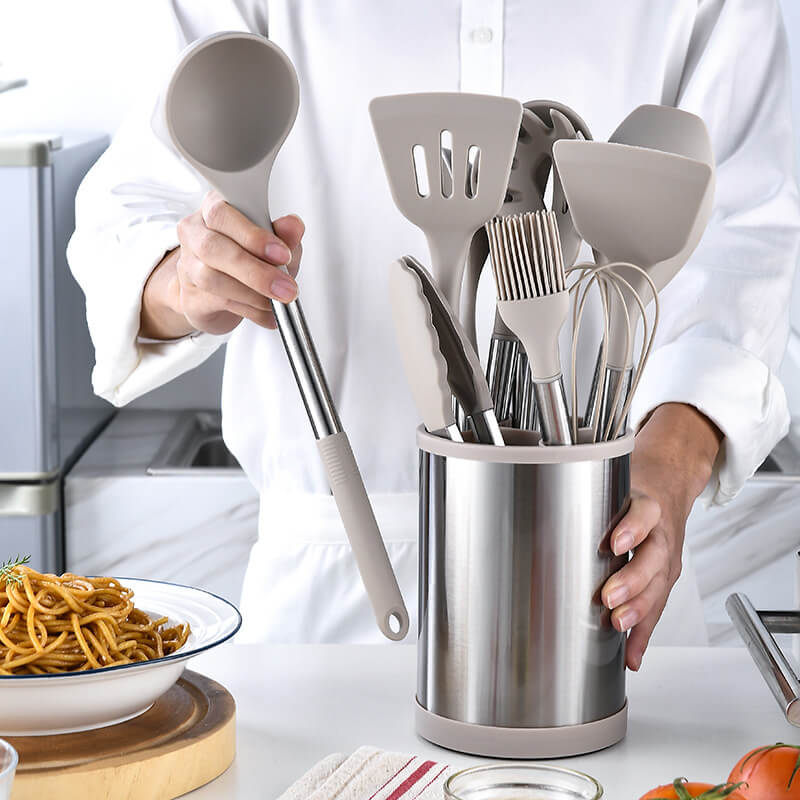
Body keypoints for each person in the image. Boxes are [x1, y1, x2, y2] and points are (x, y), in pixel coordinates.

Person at [67, 0, 800, 670]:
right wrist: (190, 279)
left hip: (599, 559)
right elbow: (129, 217)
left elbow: (753, 245)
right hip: (331, 593)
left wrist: (665, 469)